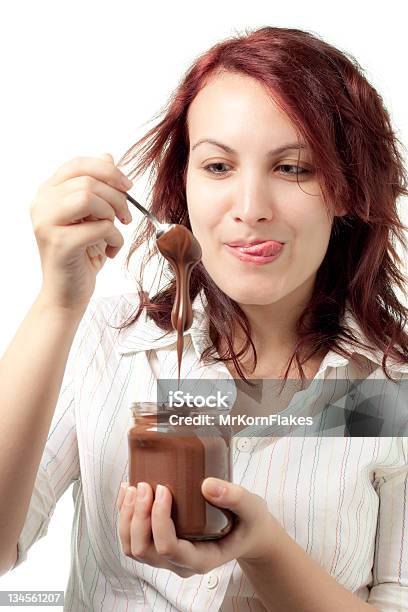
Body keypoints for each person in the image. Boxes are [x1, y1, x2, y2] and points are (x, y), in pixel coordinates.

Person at [1, 25, 407, 612]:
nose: (250, 209)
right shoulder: (112, 345)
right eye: (218, 167)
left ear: (345, 190)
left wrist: (263, 548)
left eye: (294, 168)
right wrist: (56, 306)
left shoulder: (385, 393)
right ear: (183, 182)